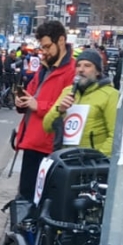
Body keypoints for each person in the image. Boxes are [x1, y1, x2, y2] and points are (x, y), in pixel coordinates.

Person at [13, 21, 77, 200]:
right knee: (26, 195)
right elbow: (32, 94)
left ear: (62, 41)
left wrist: (37, 105)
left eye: (48, 47)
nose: (45, 52)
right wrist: (22, 101)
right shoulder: (44, 68)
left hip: (50, 145)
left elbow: (70, 107)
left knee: (44, 199)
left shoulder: (72, 71)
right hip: (32, 141)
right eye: (42, 48)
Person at [41, 49, 119, 157]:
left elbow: (115, 135)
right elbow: (47, 126)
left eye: (87, 66)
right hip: (66, 159)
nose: (81, 70)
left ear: (97, 71)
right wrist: (59, 110)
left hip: (92, 163)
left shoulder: (110, 95)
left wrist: (98, 159)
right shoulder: (68, 91)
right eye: (78, 65)